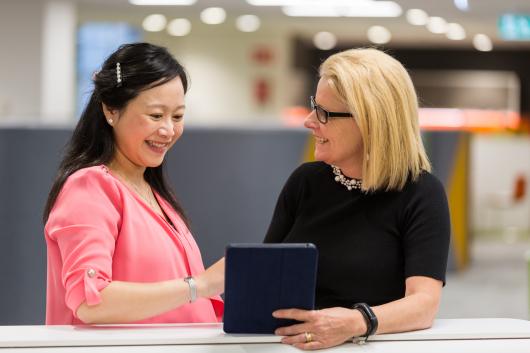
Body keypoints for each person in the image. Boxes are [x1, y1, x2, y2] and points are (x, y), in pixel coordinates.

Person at [264, 48, 450, 350]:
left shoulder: (421, 193)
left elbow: (424, 304)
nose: (310, 121)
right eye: (313, 106)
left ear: (370, 121)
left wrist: (355, 323)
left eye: (323, 112)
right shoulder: (305, 182)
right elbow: (267, 275)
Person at [43, 43, 224, 325]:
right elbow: (91, 300)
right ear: (111, 111)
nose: (168, 130)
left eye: (177, 116)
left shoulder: (153, 194)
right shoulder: (90, 187)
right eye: (155, 115)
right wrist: (198, 286)